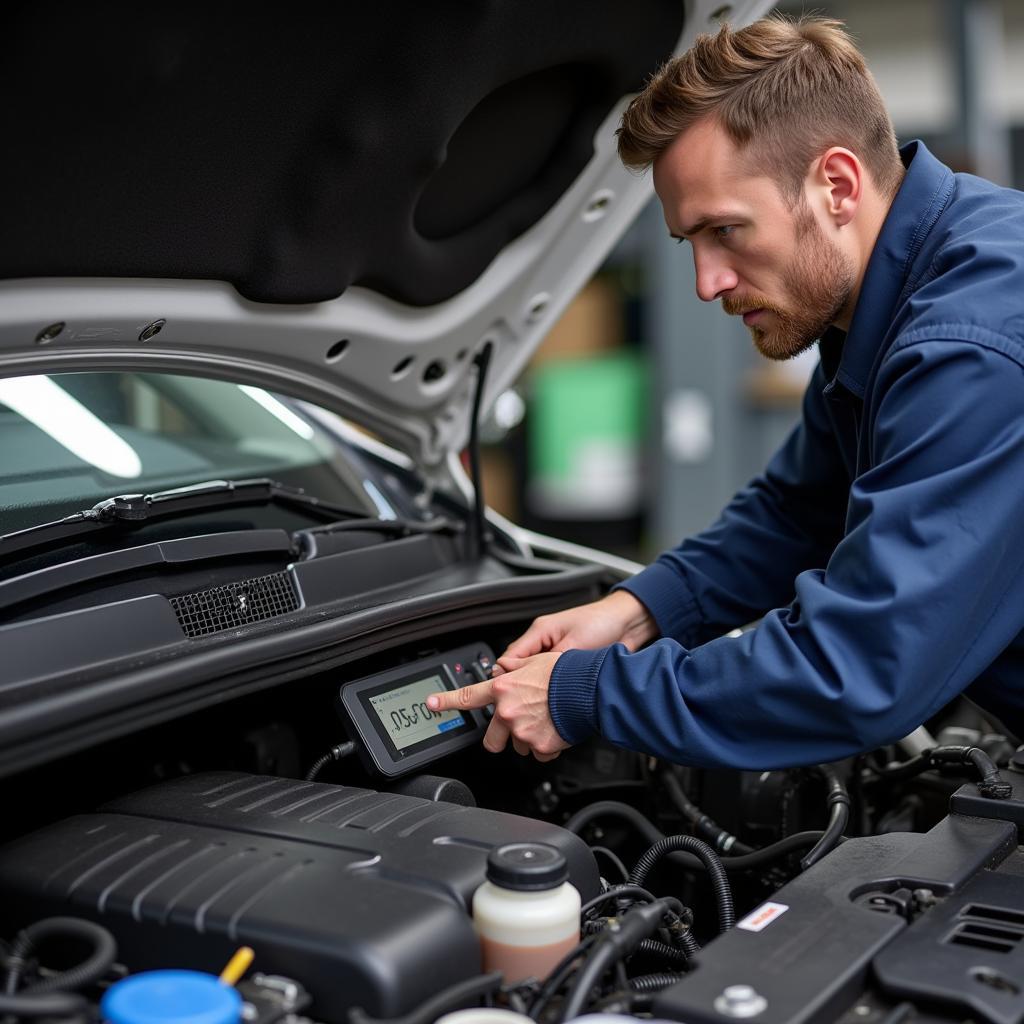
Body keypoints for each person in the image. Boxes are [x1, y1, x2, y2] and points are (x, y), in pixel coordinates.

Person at [428, 14, 1024, 769]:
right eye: (690, 243)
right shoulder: (891, 295)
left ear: (836, 184)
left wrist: (587, 694)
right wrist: (637, 612)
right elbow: (798, 510)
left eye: (727, 231)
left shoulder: (971, 346)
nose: (708, 283)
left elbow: (858, 669)